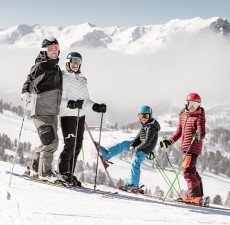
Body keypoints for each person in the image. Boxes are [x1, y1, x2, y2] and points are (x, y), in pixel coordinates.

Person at [58, 52, 107, 185]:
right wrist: (72, 104)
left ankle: (70, 172)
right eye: (73, 61)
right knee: (70, 144)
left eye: (78, 61)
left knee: (78, 145)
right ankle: (63, 172)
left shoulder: (82, 79)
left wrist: (96, 106)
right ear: (68, 62)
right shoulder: (62, 77)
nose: (75, 64)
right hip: (67, 115)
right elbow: (59, 98)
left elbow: (85, 100)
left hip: (80, 116)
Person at [21, 37, 62, 182]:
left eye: (56, 48)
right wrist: (25, 91)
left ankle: (35, 168)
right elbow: (29, 81)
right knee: (51, 142)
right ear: (44, 51)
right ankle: (45, 173)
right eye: (51, 49)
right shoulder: (41, 66)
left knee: (46, 141)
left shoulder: (56, 68)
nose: (54, 52)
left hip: (52, 111)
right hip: (41, 110)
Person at [99, 105, 160, 191]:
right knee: (124, 144)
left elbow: (147, 142)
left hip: (145, 149)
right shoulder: (145, 125)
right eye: (141, 116)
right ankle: (108, 155)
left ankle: (134, 185)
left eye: (145, 116)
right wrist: (132, 145)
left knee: (135, 164)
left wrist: (136, 148)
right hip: (139, 146)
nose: (143, 118)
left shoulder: (151, 127)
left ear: (150, 115)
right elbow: (138, 137)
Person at [160, 93, 206, 204]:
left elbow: (202, 132)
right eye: (190, 104)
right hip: (186, 148)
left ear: (199, 105)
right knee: (192, 171)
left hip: (193, 147)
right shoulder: (183, 116)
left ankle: (194, 196)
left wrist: (198, 136)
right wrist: (169, 141)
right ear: (186, 104)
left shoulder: (199, 117)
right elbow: (179, 132)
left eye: (195, 105)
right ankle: (198, 195)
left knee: (187, 171)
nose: (192, 107)